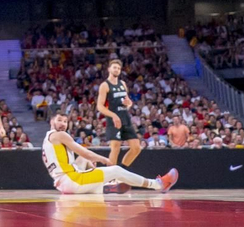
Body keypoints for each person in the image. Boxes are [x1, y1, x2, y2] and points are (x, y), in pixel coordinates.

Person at [41, 114, 177, 195]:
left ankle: (108, 187)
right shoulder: (60, 135)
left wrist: (87, 162)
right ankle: (158, 184)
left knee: (85, 163)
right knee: (116, 170)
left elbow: (81, 157)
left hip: (62, 183)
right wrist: (103, 159)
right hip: (72, 180)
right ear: (51, 122)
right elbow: (84, 152)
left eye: (65, 121)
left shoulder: (47, 140)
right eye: (59, 120)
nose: (63, 124)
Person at [95, 58, 142, 169]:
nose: (117, 70)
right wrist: (113, 115)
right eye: (114, 67)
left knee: (136, 148)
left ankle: (121, 170)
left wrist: (128, 104)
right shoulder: (105, 85)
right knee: (115, 147)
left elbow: (128, 102)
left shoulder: (123, 84)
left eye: (119, 68)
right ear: (109, 69)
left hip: (125, 118)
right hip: (113, 119)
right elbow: (99, 106)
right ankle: (110, 177)